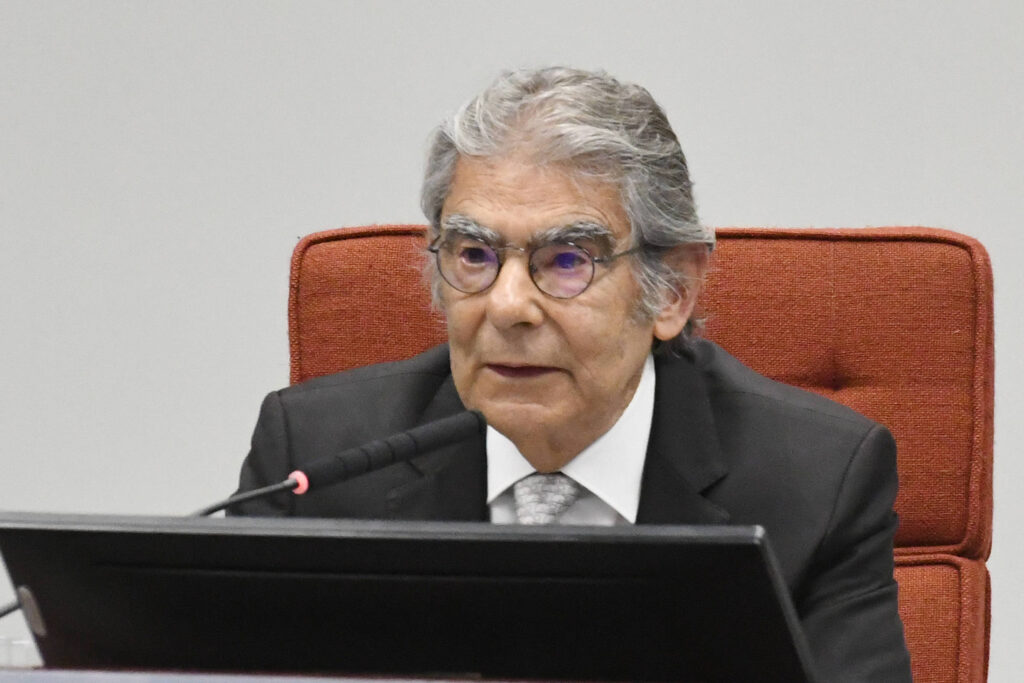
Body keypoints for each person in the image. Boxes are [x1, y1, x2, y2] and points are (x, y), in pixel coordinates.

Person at [233, 66, 912, 680]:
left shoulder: (817, 480)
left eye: (566, 261)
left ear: (672, 290)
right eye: (474, 255)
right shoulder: (315, 459)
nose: (508, 306)